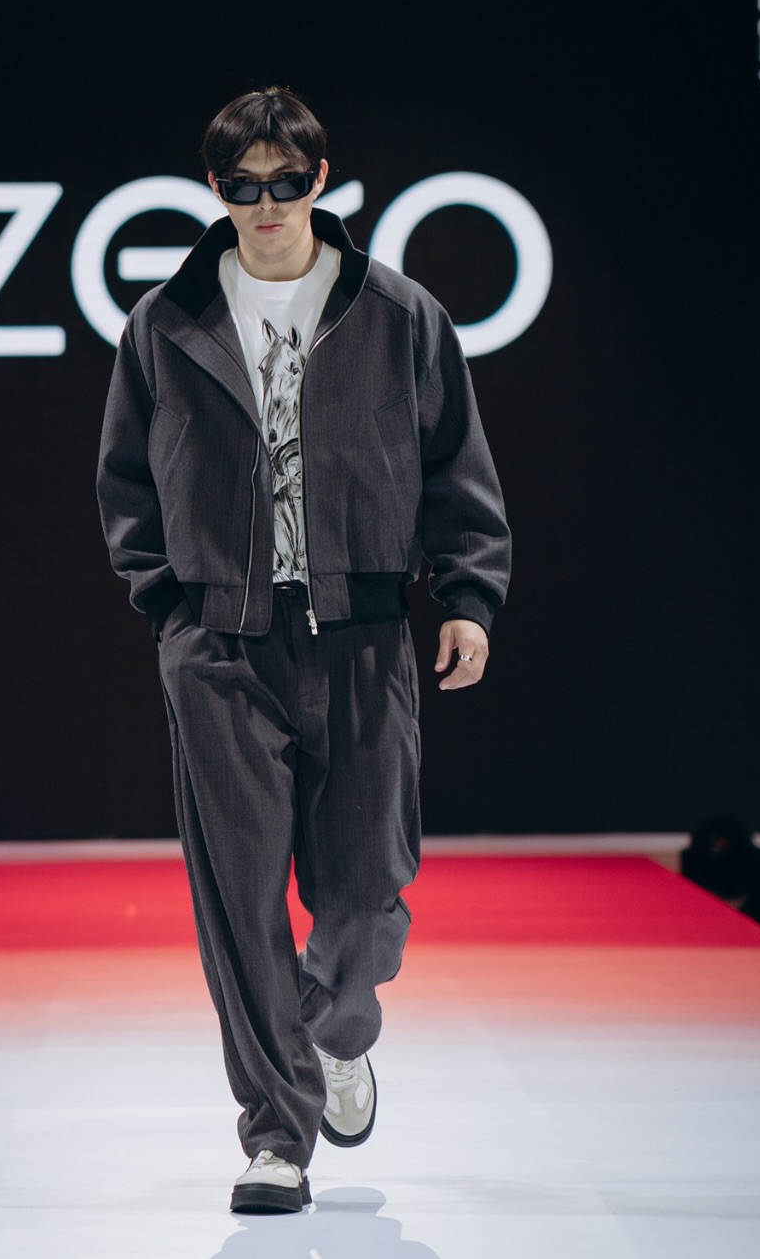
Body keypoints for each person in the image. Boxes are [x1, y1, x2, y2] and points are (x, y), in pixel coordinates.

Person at [97, 88, 511, 1214]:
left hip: (363, 634)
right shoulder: (167, 323)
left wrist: (468, 597)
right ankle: (276, 1135)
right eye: (244, 185)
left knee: (368, 891)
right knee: (239, 902)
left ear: (320, 181)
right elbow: (126, 482)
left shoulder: (398, 313)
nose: (267, 203)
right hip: (220, 646)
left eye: (286, 181)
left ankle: (337, 1031)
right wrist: (171, 611)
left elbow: (457, 467)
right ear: (217, 190)